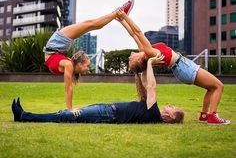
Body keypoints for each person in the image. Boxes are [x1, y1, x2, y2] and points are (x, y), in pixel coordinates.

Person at [116, 9, 230, 125]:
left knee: (211, 87)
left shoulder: (145, 51)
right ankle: (212, 116)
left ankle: (204, 115)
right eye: (131, 58)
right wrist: (125, 15)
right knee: (218, 86)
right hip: (184, 68)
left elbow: (133, 34)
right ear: (138, 60)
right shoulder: (149, 52)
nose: (131, 55)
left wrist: (121, 20)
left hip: (183, 67)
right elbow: (139, 32)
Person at [11, 55, 184, 124]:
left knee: (67, 116)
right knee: (66, 114)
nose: (169, 105)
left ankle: (24, 116)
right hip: (106, 109)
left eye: (172, 107)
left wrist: (149, 63)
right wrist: (140, 70)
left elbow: (152, 86)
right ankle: (24, 115)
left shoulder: (154, 114)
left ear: (170, 116)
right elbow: (146, 87)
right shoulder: (150, 110)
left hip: (108, 114)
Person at [43, 0, 134, 114]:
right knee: (92, 25)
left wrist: (70, 109)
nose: (88, 69)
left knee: (92, 24)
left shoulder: (69, 65)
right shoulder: (69, 64)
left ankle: (119, 12)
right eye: (88, 66)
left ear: (79, 64)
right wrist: (71, 109)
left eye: (87, 66)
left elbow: (68, 88)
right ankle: (118, 12)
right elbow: (68, 88)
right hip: (59, 45)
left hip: (58, 42)